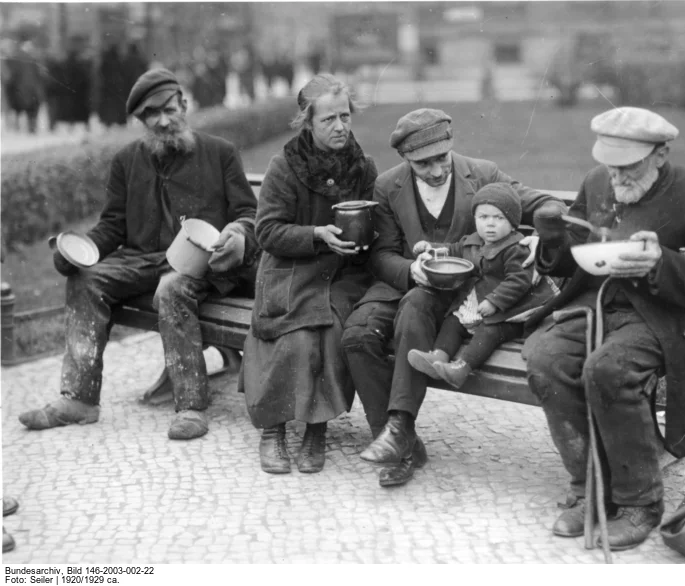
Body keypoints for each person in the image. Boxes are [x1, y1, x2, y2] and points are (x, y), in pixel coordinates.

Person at [522, 106, 685, 551]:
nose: (615, 179)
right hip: (595, 303)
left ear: (661, 154)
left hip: (660, 316)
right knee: (545, 360)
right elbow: (571, 257)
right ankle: (588, 488)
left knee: (609, 370)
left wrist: (662, 261)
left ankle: (640, 503)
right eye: (610, 166)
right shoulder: (598, 181)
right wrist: (552, 238)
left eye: (628, 168)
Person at [18, 68, 259, 440]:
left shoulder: (219, 153)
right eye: (151, 115)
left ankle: (191, 407)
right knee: (87, 280)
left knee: (172, 288)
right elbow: (112, 226)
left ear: (184, 103)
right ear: (141, 120)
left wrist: (237, 234)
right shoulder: (127, 161)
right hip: (141, 260)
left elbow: (248, 214)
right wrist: (78, 252)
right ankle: (79, 400)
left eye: (169, 109)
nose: (163, 121)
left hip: (204, 264)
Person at [341, 108, 563, 488]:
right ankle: (399, 438)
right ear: (405, 159)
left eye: (442, 158)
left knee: (412, 309)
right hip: (421, 284)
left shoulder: (484, 174)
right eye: (424, 164)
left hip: (478, 294)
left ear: (451, 147)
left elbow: (543, 203)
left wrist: (543, 233)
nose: (437, 170)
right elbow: (382, 254)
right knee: (359, 336)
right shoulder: (387, 186)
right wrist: (412, 269)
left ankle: (398, 431)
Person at [240, 74, 377, 475]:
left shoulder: (361, 166)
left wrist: (362, 237)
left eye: (345, 117)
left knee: (333, 332)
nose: (340, 127)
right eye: (328, 120)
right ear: (308, 122)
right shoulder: (285, 166)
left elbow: (372, 219)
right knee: (295, 335)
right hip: (290, 269)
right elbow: (266, 231)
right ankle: (274, 430)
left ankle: (316, 429)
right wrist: (316, 234)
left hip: (340, 274)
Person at [407, 182, 559, 388]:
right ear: (475, 219)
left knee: (490, 331)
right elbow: (452, 250)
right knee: (454, 321)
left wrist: (495, 302)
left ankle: (462, 368)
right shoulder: (473, 241)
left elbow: (519, 280)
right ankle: (438, 357)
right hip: (481, 300)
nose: (490, 224)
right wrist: (431, 249)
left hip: (514, 310)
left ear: (513, 223)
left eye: (499, 218)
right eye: (483, 217)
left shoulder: (517, 247)